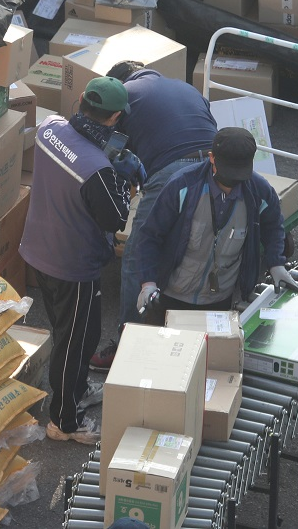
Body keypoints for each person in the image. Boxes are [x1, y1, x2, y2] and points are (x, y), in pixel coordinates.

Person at [18, 76, 146, 445]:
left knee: (67, 330)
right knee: (77, 342)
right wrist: (125, 183)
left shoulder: (50, 128)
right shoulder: (97, 170)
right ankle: (65, 421)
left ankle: (74, 390)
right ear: (115, 117)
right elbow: (115, 218)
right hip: (73, 264)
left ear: (80, 101)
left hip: (39, 247)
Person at [90, 61, 219, 372]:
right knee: (194, 246)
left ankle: (128, 342)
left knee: (139, 251)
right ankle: (193, 336)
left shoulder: (125, 95)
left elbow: (109, 152)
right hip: (216, 166)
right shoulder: (184, 87)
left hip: (173, 168)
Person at [134, 127, 297, 321]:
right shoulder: (183, 186)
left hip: (219, 298)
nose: (233, 181)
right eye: (229, 172)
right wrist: (148, 283)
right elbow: (150, 235)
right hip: (172, 294)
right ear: (212, 158)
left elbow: (273, 227)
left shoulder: (259, 191)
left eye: (240, 174)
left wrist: (276, 263)